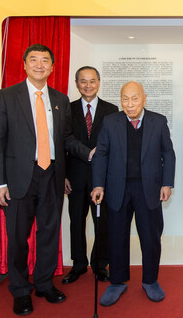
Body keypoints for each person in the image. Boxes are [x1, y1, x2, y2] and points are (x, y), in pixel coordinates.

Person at [0, 44, 93, 315]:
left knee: (49, 233)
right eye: (33, 60)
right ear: (24, 64)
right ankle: (21, 291)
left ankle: (45, 284)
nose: (39, 65)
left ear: (52, 67)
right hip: (18, 179)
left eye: (45, 60)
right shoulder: (6, 96)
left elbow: (67, 139)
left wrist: (90, 152)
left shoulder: (59, 99)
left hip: (52, 176)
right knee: (17, 238)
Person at [91, 81, 175, 306]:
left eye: (134, 98)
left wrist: (167, 184)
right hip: (118, 188)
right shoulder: (111, 122)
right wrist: (98, 185)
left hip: (149, 189)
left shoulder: (158, 121)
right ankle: (117, 282)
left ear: (144, 98)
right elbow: (101, 155)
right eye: (125, 99)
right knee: (116, 237)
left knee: (150, 237)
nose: (130, 104)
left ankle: (150, 281)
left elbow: (168, 153)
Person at [62, 66, 118, 284]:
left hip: (102, 178)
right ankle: (78, 265)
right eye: (83, 81)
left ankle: (100, 264)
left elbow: (115, 144)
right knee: (76, 221)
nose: (88, 85)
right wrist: (64, 175)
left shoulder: (112, 110)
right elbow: (63, 141)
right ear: (77, 84)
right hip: (75, 175)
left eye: (92, 81)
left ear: (99, 82)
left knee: (102, 222)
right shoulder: (68, 109)